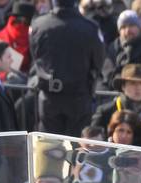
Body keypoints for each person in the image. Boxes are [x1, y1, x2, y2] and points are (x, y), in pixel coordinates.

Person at [30, 0, 104, 137]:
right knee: (76, 148)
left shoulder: (39, 25)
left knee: (49, 149)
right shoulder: (90, 28)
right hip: (78, 97)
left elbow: (36, 57)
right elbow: (98, 62)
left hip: (49, 98)